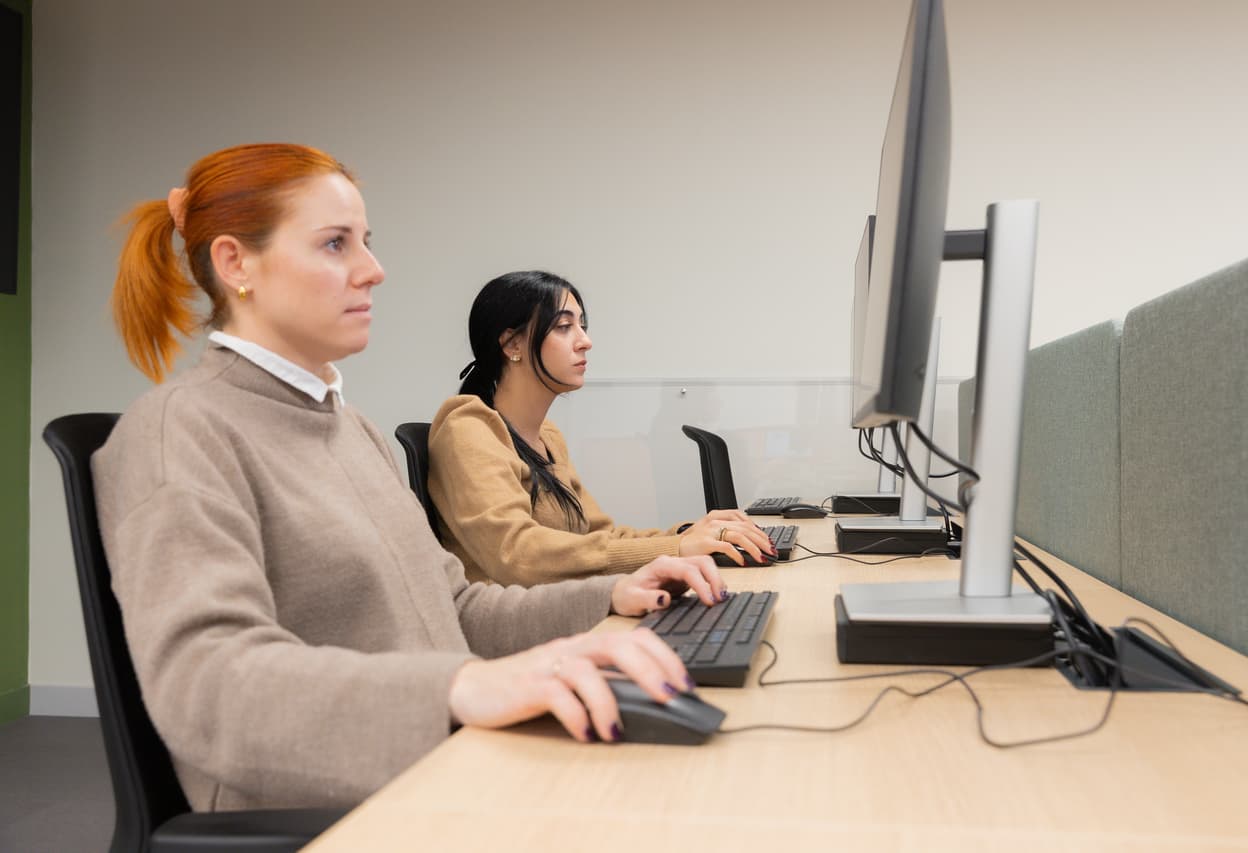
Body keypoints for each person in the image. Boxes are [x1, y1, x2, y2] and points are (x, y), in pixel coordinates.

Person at [92, 143, 727, 812]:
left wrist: (612, 594)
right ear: (235, 263)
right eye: (336, 244)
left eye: (366, 242)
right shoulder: (180, 431)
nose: (374, 270)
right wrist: (458, 688)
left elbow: (453, 610)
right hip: (333, 808)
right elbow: (207, 685)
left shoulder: (350, 428)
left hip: (443, 764)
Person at [427, 270, 775, 587]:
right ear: (512, 344)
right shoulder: (468, 428)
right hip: (520, 637)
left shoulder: (548, 436)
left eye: (583, 326)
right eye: (564, 327)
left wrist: (689, 533)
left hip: (567, 613)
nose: (584, 341)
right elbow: (517, 554)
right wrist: (676, 548)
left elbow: (600, 536)